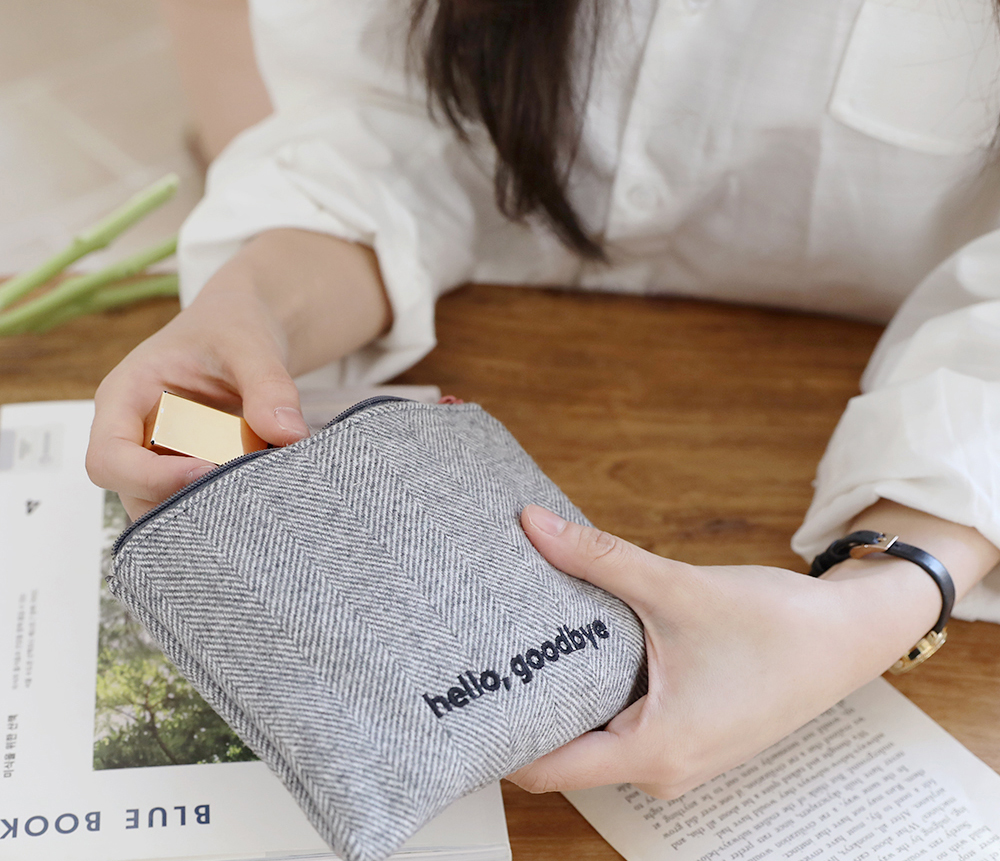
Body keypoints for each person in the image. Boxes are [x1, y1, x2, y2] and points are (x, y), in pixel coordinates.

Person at [87, 0, 1000, 800]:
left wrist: (878, 601)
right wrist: (253, 302)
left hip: (903, 421)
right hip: (488, 346)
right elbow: (389, 129)